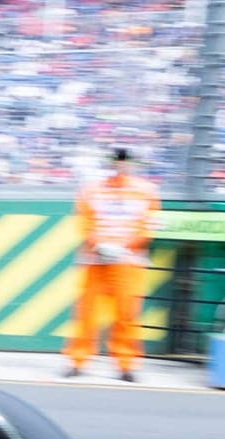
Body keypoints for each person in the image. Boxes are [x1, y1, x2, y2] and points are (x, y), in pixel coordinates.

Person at [64, 146, 159, 383]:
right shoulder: (92, 190)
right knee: (87, 313)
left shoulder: (146, 192)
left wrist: (127, 246)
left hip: (128, 262)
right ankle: (77, 360)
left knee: (126, 314)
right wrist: (98, 244)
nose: (120, 167)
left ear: (133, 165)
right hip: (95, 260)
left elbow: (150, 225)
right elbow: (84, 221)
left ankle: (126, 364)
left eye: (125, 163)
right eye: (116, 162)